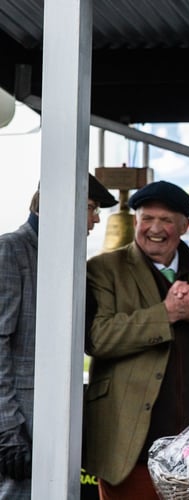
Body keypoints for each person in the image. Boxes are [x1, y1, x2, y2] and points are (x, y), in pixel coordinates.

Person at [84, 180, 189, 499]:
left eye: (166, 220)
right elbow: (98, 338)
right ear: (135, 221)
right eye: (147, 218)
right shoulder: (104, 269)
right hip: (130, 445)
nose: (155, 228)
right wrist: (168, 313)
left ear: (185, 226)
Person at [0, 174, 116, 499]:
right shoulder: (11, 250)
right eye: (91, 207)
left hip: (54, 423)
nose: (95, 219)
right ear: (54, 204)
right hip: (19, 427)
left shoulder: (64, 258)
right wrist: (8, 432)